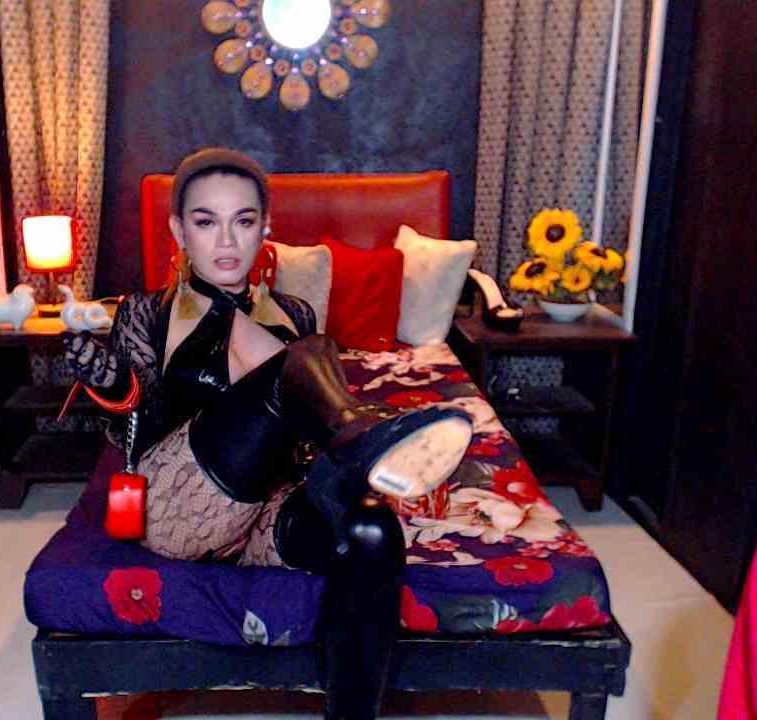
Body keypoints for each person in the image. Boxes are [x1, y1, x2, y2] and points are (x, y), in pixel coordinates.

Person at [63, 148, 473, 719]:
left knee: (372, 531)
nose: (226, 241)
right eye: (206, 222)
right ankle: (359, 443)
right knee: (299, 362)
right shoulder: (146, 312)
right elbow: (137, 427)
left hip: (267, 508)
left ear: (266, 228)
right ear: (178, 230)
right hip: (182, 504)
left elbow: (300, 430)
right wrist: (113, 383)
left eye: (243, 221)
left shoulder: (296, 313)